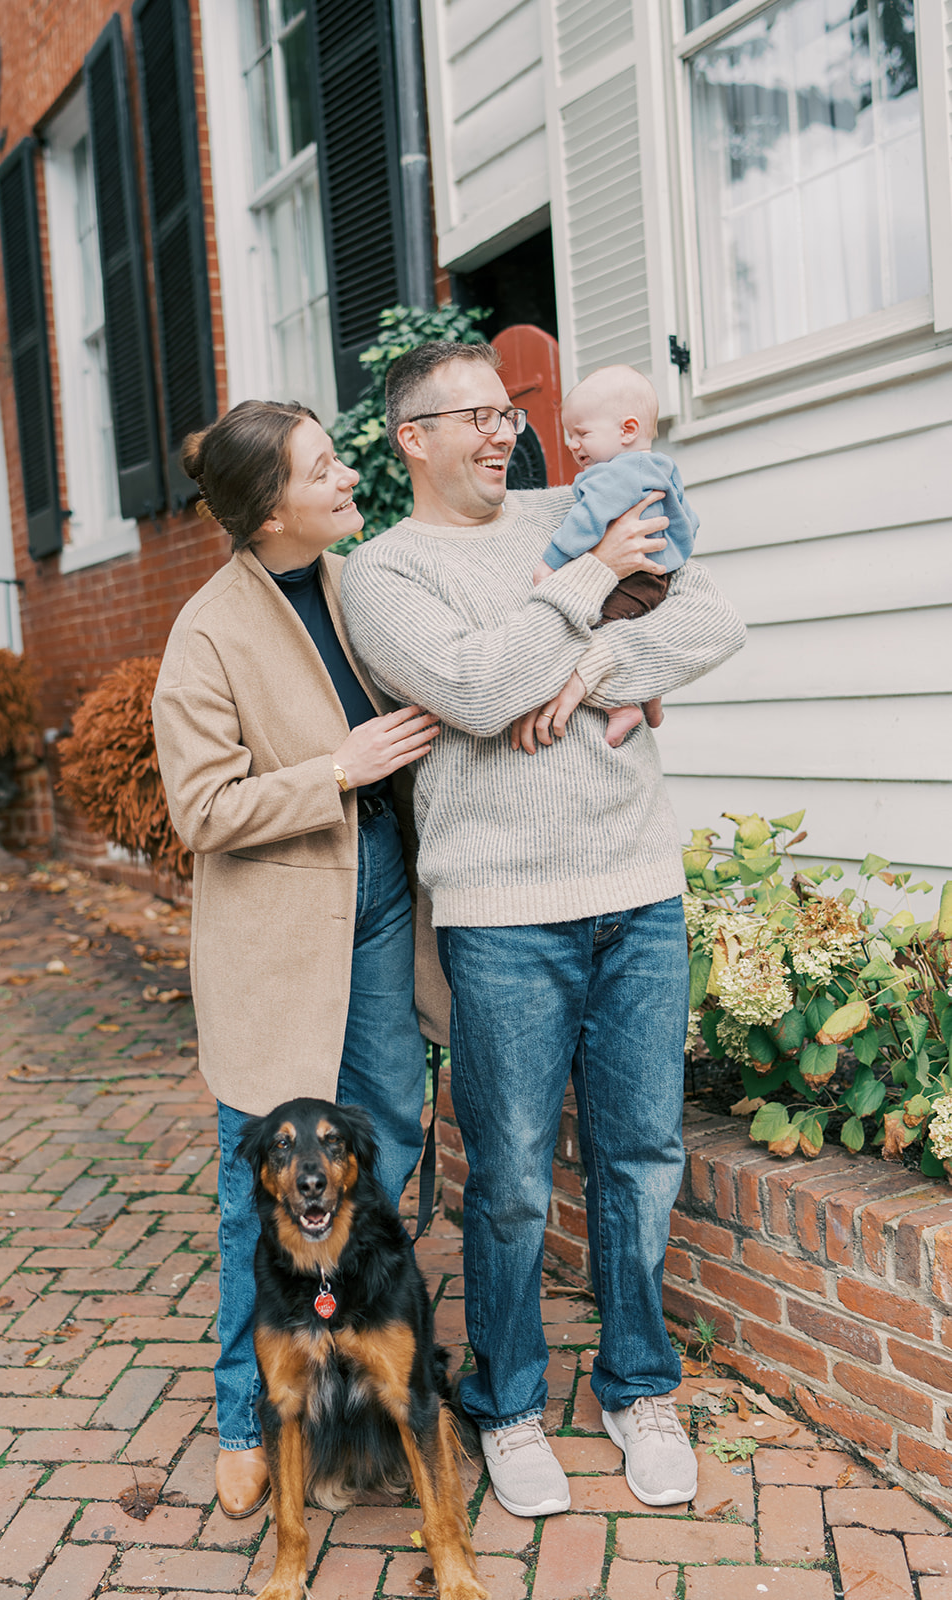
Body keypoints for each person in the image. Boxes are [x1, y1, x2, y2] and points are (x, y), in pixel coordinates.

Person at [339, 341, 746, 1518]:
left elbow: (709, 617)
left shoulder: (580, 504)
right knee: (512, 1179)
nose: (501, 429)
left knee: (641, 1157)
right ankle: (508, 1402)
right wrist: (578, 595)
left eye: (504, 409)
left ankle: (637, 1386)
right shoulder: (384, 572)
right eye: (470, 415)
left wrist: (595, 668)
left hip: (636, 889)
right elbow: (467, 688)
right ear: (410, 438)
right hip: (504, 914)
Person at [151, 399, 448, 1524]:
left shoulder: (347, 579)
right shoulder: (206, 630)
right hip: (277, 940)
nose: (345, 474)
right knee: (256, 1195)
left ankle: (374, 1368)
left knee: (382, 1138)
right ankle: (247, 1417)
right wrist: (335, 766)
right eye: (323, 466)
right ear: (270, 507)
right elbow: (200, 808)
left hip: (377, 909)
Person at [533, 364, 700, 748]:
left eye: (582, 434)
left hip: (632, 579)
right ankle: (652, 696)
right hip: (658, 576)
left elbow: (587, 520)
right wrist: (676, 551)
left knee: (597, 631)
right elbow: (689, 520)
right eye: (569, 435)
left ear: (626, 430)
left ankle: (620, 706)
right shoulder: (661, 466)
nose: (573, 445)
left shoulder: (614, 475)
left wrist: (553, 560)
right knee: (638, 632)